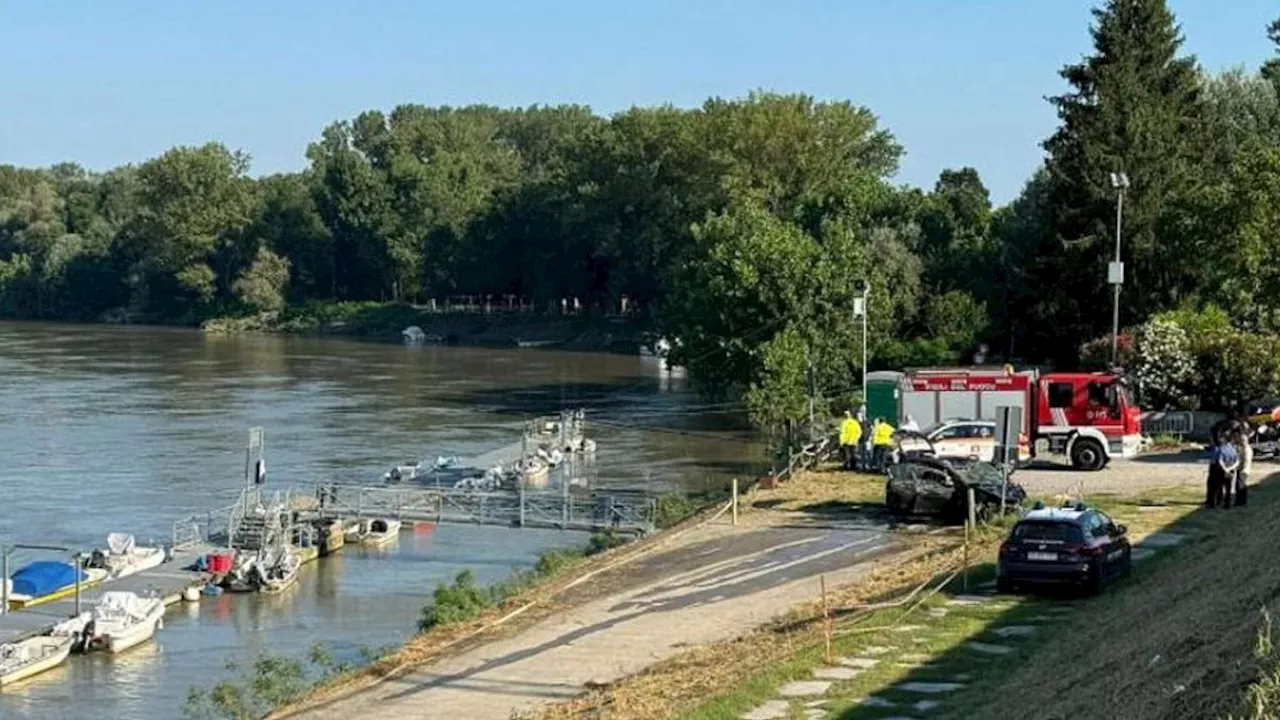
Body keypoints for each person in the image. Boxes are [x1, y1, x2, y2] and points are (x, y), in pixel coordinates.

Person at [1207, 431, 1240, 509]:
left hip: (1221, 471)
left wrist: (1225, 469)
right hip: (1231, 470)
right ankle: (1227, 504)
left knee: (1216, 488)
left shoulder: (1222, 449)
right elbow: (1237, 461)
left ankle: (1213, 504)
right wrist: (1231, 468)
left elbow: (1220, 461)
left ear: (1224, 440)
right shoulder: (1233, 449)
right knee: (1228, 488)